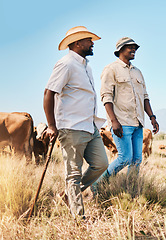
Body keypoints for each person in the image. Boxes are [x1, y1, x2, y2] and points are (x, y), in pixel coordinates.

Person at [43, 26, 109, 218]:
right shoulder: (66, 64)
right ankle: (79, 219)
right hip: (71, 127)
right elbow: (49, 93)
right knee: (73, 174)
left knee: (101, 164)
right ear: (78, 42)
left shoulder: (86, 66)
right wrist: (52, 125)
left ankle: (67, 195)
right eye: (89, 40)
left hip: (90, 126)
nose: (92, 43)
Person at [96, 37, 159, 186]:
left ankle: (130, 188)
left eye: (135, 48)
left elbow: (145, 97)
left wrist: (152, 117)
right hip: (121, 122)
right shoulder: (111, 69)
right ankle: (98, 184)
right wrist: (113, 121)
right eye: (129, 47)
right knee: (124, 158)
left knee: (137, 159)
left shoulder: (138, 72)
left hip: (138, 122)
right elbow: (106, 96)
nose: (133, 50)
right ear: (120, 50)